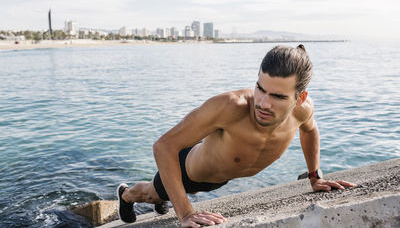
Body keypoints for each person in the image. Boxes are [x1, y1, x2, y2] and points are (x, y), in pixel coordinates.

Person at [116, 44, 356, 227]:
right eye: (260, 88)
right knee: (149, 193)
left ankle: (161, 198)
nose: (263, 103)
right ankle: (126, 195)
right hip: (190, 172)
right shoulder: (231, 106)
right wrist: (186, 212)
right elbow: (163, 146)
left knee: (162, 194)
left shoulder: (304, 110)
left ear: (299, 98)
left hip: (222, 175)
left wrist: (315, 176)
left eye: (278, 97)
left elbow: (310, 129)